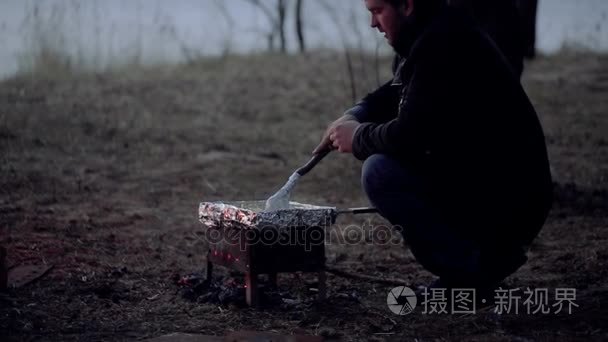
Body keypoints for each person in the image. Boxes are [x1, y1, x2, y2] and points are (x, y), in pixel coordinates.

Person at [314, 0, 552, 296]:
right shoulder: (429, 33)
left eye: (377, 11)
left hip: (509, 196)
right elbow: (401, 89)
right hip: (487, 180)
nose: (372, 24)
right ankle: (475, 264)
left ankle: (474, 273)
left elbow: (410, 135)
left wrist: (358, 136)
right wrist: (357, 113)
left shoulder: (445, 42)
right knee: (386, 167)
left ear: (407, 5)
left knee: (380, 172)